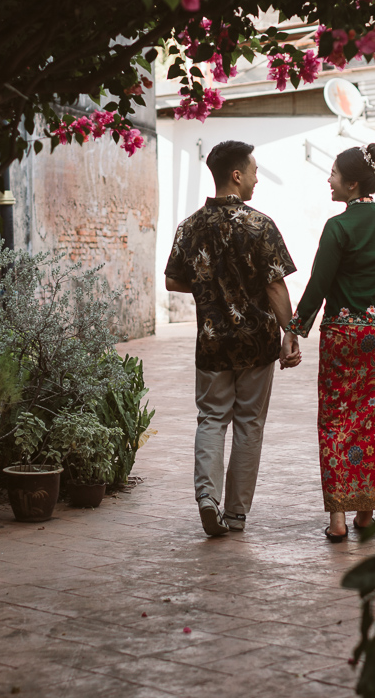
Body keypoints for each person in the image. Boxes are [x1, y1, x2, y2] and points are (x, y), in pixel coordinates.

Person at [165, 140, 301, 537]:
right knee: (249, 424)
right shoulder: (260, 225)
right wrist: (290, 334)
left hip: (211, 343)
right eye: (254, 172)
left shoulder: (189, 226)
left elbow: (173, 280)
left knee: (211, 419)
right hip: (257, 343)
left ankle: (207, 498)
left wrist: (213, 286)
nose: (257, 180)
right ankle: (236, 514)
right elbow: (275, 288)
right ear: (237, 175)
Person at [285, 143, 375, 543]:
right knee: (374, 421)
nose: (329, 180)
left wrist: (294, 330)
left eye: (334, 174)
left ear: (352, 184)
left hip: (345, 336)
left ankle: (338, 521)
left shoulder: (337, 227)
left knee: (337, 421)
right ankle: (366, 514)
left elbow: (318, 286)